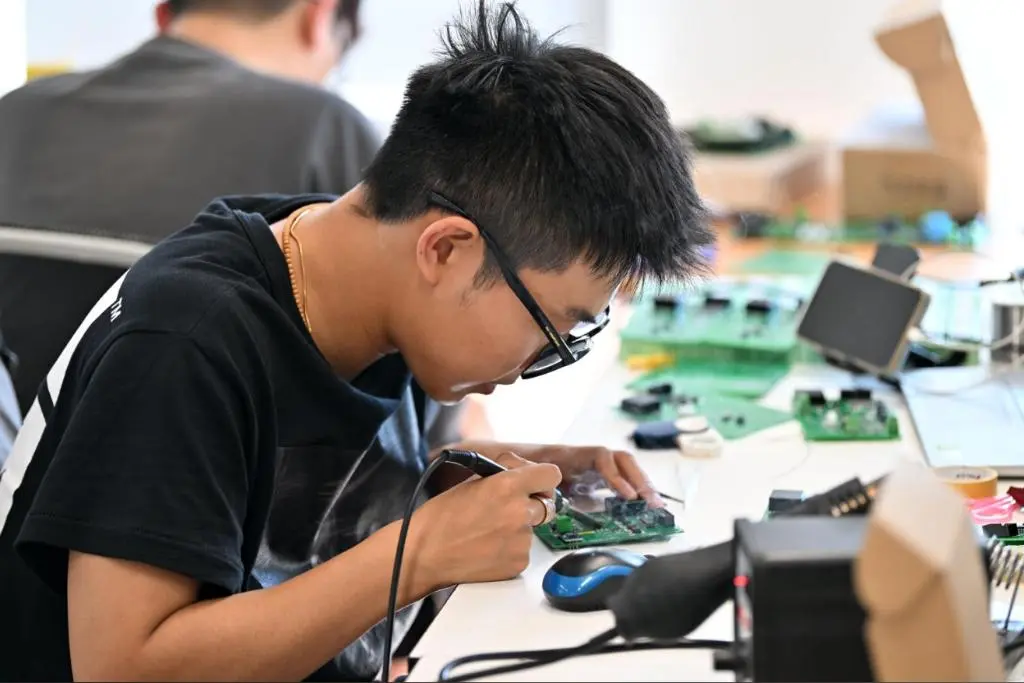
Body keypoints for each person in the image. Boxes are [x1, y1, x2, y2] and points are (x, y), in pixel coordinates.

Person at [0, 1, 713, 681]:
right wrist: (418, 552)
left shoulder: (366, 282)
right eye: (551, 327)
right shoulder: (186, 342)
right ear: (445, 250)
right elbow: (124, 666)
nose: (540, 361)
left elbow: (282, 491)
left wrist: (457, 472)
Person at [0, 0, 374, 413]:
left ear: (163, 16)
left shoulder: (12, 114)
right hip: (206, 447)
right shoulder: (331, 131)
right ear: (319, 16)